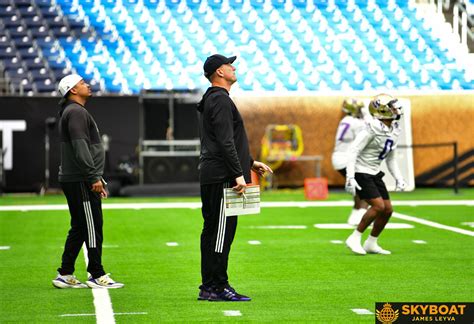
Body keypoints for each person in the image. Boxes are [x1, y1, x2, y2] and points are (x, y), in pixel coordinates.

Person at [196, 54, 272, 301]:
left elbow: (226, 141)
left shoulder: (215, 99)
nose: (234, 67)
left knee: (213, 232)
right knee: (220, 233)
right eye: (229, 65)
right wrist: (239, 174)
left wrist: (250, 162)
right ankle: (217, 286)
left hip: (216, 172)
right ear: (219, 72)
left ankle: (209, 286)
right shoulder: (219, 99)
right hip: (222, 174)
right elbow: (225, 140)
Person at [52, 74, 124, 289]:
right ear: (72, 90)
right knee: (93, 226)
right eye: (82, 83)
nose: (88, 85)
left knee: (80, 227)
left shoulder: (73, 111)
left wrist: (95, 175)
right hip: (81, 178)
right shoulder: (75, 111)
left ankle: (65, 273)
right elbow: (80, 146)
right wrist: (93, 176)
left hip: (78, 177)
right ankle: (96, 274)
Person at [344, 94, 407, 255]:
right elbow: (353, 151)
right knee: (378, 206)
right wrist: (350, 176)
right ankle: (354, 237)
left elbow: (390, 158)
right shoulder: (371, 128)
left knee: (387, 210)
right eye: (392, 107)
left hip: (374, 172)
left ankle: (371, 242)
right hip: (361, 172)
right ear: (382, 110)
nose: (396, 110)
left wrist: (398, 178)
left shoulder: (393, 130)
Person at [331, 98, 369, 225]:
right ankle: (362, 218)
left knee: (358, 189)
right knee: (367, 190)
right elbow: (365, 137)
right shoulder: (356, 123)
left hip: (339, 157)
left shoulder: (345, 120)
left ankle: (354, 216)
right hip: (347, 158)